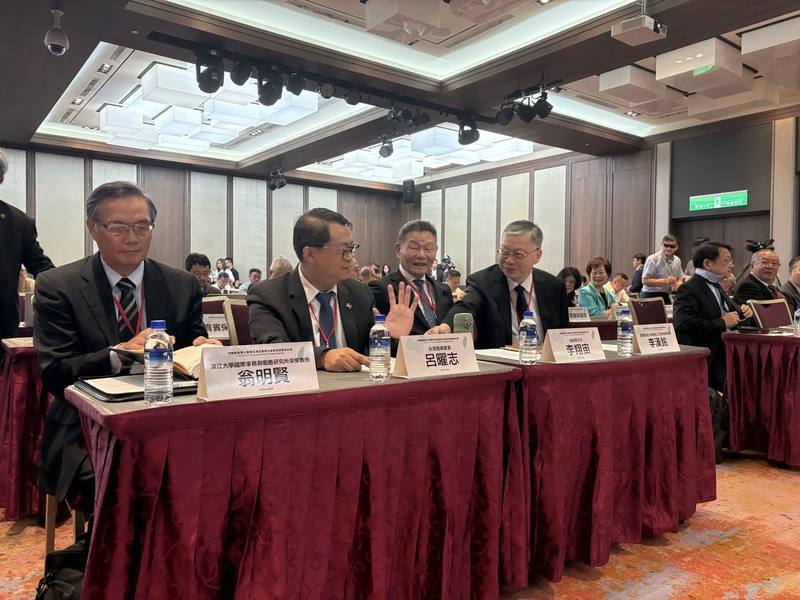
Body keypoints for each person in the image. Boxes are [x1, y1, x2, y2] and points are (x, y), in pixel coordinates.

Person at [35, 181, 220, 505]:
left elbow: (190, 342)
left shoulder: (181, 284)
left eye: (142, 227)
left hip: (172, 418)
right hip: (88, 427)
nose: (132, 238)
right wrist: (118, 355)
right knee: (134, 480)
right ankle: (113, 552)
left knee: (223, 467)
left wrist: (202, 350)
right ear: (92, 228)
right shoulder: (58, 286)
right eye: (118, 227)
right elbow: (55, 374)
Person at [247, 208, 419, 371]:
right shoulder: (268, 295)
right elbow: (272, 350)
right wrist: (322, 357)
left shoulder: (359, 293)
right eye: (344, 251)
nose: (351, 259)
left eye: (351, 249)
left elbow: (376, 358)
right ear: (310, 254)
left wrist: (392, 338)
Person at [438, 220, 569, 348]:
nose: (509, 260)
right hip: (503, 365)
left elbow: (562, 337)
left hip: (545, 365)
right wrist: (446, 327)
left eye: (518, 254)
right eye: (504, 252)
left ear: (537, 256)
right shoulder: (482, 282)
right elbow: (466, 306)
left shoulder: (554, 287)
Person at [673, 242, 752, 392]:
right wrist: (721, 323)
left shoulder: (717, 286)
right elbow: (683, 323)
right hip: (708, 357)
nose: (732, 265)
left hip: (725, 352)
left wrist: (744, 312)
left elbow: (729, 315)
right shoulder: (690, 288)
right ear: (708, 263)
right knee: (741, 388)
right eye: (727, 261)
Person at [0, 151, 54, 359]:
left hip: (2, 322)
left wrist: (68, 287)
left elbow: (40, 265)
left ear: (1, 178)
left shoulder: (18, 222)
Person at [368, 220, 454, 348]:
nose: (421, 254)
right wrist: (396, 339)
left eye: (428, 248)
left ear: (435, 251)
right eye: (414, 247)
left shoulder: (444, 290)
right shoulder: (380, 289)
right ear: (398, 250)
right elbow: (371, 344)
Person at [641, 234, 687, 304]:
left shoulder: (677, 260)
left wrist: (680, 282)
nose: (668, 248)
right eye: (666, 245)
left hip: (668, 294)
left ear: (676, 247)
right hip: (651, 295)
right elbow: (644, 281)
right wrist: (664, 281)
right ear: (661, 245)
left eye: (672, 246)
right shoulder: (653, 259)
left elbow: (679, 278)